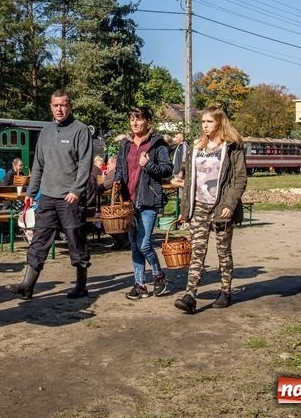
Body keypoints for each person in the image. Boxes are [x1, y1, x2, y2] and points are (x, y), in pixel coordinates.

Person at [6, 89, 93, 300]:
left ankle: (81, 285)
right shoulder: (45, 132)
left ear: (70, 106)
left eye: (63, 105)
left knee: (76, 240)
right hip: (46, 197)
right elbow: (38, 165)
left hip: (69, 199)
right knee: (39, 239)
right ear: (51, 107)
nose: (59, 109)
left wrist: (76, 190)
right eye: (56, 105)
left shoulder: (80, 130)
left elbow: (85, 164)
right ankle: (27, 285)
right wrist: (31, 191)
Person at [174, 105, 247, 314]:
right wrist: (185, 208)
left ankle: (225, 291)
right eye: (203, 122)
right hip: (198, 206)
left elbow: (240, 179)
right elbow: (189, 178)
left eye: (209, 122)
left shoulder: (232, 147)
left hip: (221, 207)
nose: (205, 126)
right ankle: (190, 295)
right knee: (197, 251)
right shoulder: (197, 147)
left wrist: (229, 205)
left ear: (219, 123)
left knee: (223, 250)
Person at [114, 107, 174, 299]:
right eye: (132, 119)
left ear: (148, 121)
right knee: (134, 244)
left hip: (148, 200)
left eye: (139, 119)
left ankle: (158, 275)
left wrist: (148, 165)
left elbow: (167, 169)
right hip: (129, 200)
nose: (135, 123)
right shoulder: (125, 144)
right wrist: (117, 180)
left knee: (144, 244)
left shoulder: (157, 144)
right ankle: (140, 285)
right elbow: (121, 168)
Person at [99, 155, 129, 250]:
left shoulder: (114, 173)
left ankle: (123, 240)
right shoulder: (122, 171)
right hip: (124, 204)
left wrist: (94, 190)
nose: (107, 166)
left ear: (113, 164)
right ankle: (122, 240)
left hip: (118, 205)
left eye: (108, 164)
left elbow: (103, 186)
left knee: (103, 220)